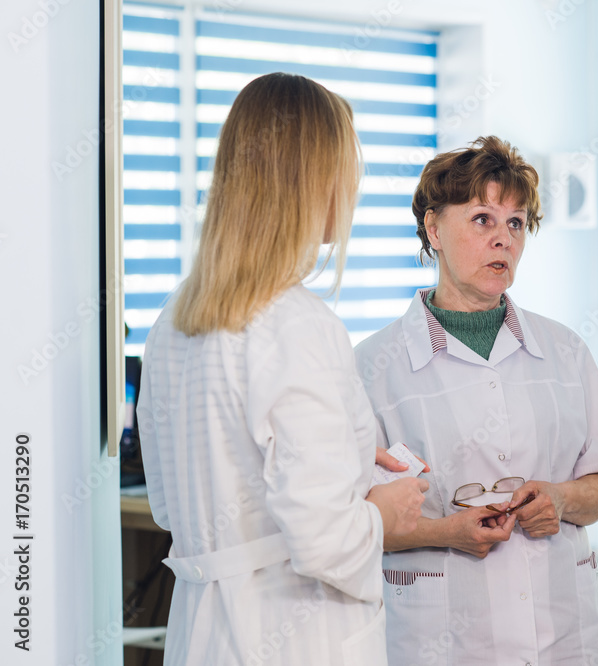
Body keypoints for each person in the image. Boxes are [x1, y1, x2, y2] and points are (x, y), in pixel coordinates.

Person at [136, 72, 428, 666]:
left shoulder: (174, 319)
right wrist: (383, 514)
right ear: (312, 178)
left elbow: (170, 503)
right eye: (346, 168)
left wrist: (343, 454)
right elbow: (325, 541)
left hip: (204, 632)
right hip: (295, 634)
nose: (353, 187)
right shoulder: (299, 323)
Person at [355, 136, 598, 666]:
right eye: (482, 219)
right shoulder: (372, 368)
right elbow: (350, 523)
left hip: (563, 637)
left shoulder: (566, 351)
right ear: (434, 229)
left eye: (516, 223)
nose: (503, 238)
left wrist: (561, 499)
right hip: (443, 641)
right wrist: (444, 533)